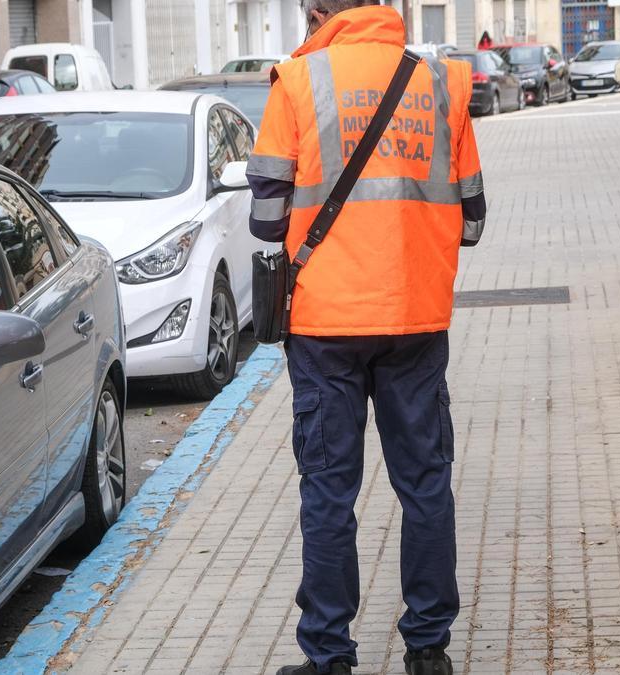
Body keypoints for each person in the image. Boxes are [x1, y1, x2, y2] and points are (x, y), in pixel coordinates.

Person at [246, 1, 487, 674]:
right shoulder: (442, 81)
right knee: (426, 483)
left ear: (319, 12)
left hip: (325, 326)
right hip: (415, 317)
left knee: (328, 489)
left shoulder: (295, 82)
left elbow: (267, 218)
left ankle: (328, 654)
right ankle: (428, 647)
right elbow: (472, 216)